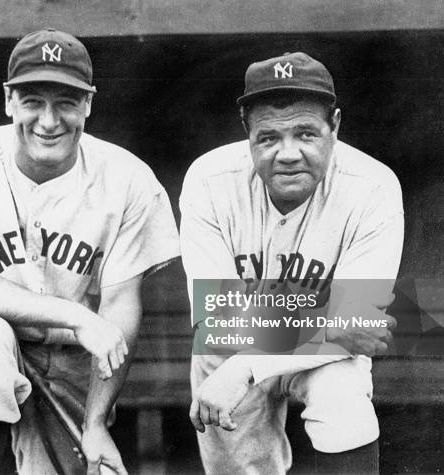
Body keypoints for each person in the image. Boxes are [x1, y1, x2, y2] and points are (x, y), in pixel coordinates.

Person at [0, 29, 179, 475]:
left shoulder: (127, 180)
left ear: (88, 104)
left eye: (66, 101)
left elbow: (122, 307)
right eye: (32, 101)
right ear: (8, 100)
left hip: (72, 360)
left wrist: (97, 421)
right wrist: (80, 316)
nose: (49, 121)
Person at [180, 52, 403, 474]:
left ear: (334, 126)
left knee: (342, 401)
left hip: (306, 355)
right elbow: (217, 319)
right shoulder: (209, 180)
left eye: (305, 133)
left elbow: (359, 324)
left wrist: (250, 363)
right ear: (246, 133)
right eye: (268, 138)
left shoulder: (372, 186)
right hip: (233, 348)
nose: (288, 154)